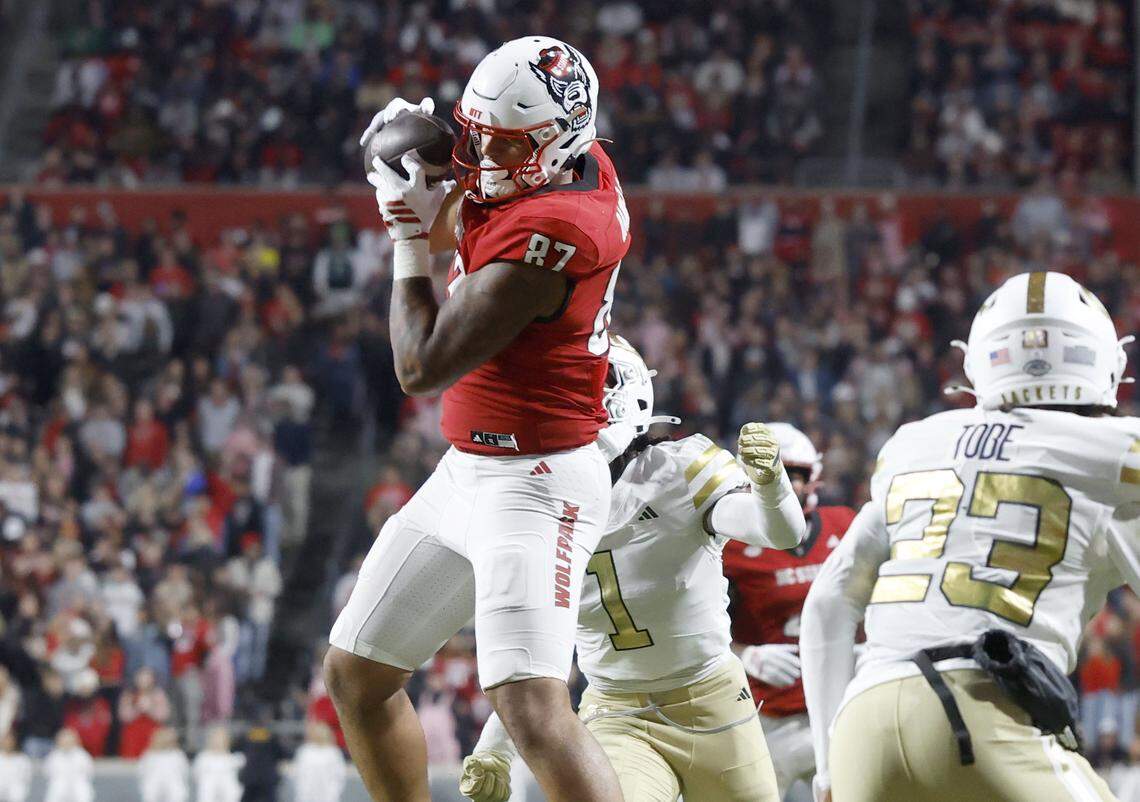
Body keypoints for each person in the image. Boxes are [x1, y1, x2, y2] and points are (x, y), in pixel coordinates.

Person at [325, 36, 631, 802]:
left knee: (531, 709)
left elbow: (420, 365)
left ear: (558, 139)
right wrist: (415, 158)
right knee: (358, 674)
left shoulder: (560, 229)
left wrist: (404, 235)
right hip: (470, 469)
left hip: (539, 481)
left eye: (504, 142)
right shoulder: (562, 163)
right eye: (477, 134)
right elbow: (469, 212)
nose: (483, 156)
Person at [802, 271, 1140, 802]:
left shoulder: (915, 442)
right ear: (1105, 362)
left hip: (862, 725)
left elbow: (827, 602)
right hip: (983, 712)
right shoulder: (1117, 453)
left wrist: (827, 771)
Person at [459, 336, 806, 802]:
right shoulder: (535, 500)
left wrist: (772, 486)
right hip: (617, 712)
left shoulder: (678, 472)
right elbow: (536, 650)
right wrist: (495, 748)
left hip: (712, 700)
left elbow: (780, 534)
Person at [722, 424, 856, 797]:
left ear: (811, 478)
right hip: (767, 718)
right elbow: (693, 625)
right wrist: (746, 656)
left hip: (839, 710)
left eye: (790, 476)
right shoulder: (729, 545)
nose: (780, 486)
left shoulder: (843, 525)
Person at [291, 721, 347, 802]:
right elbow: (298, 774)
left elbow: (339, 776)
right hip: (306, 795)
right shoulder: (305, 751)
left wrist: (334, 793)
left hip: (328, 795)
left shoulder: (333, 753)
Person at [193, 726, 244, 802]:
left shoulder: (237, 759)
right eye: (216, 738)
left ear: (227, 740)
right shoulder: (203, 758)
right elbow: (196, 777)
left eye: (221, 738)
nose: (218, 741)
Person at [138, 727, 190, 802]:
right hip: (153, 786)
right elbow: (142, 771)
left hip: (174, 786)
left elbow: (184, 771)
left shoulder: (177, 755)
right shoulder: (150, 756)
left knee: (177, 793)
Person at [43, 729, 93, 802]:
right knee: (56, 787)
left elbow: (89, 772)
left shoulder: (82, 755)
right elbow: (47, 773)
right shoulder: (53, 756)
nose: (66, 743)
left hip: (78, 786)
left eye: (69, 741)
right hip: (58, 787)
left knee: (82, 788)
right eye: (64, 741)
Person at [0, 732, 32, 802]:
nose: (8, 743)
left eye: (10, 741)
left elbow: (26, 779)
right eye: (5, 740)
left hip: (15, 790)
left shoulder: (23, 760)